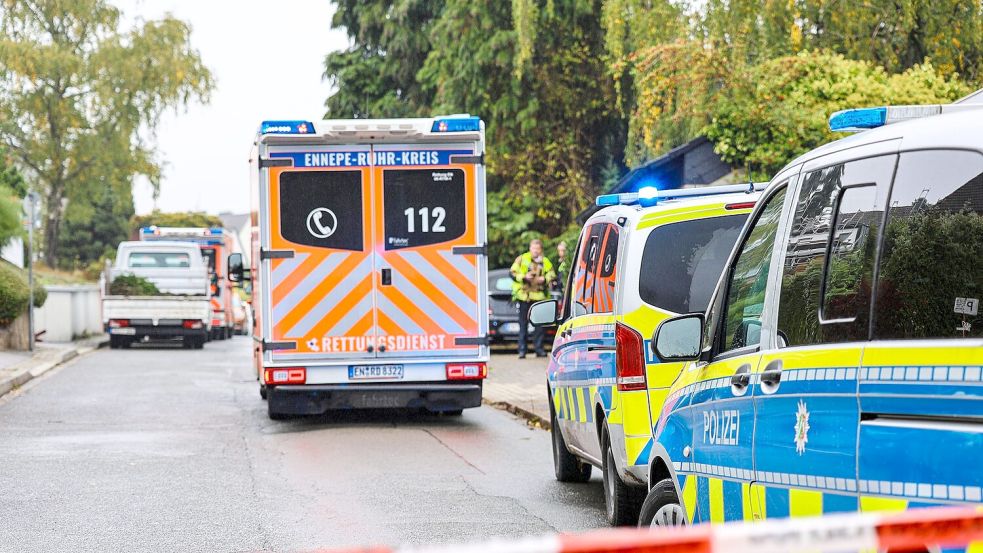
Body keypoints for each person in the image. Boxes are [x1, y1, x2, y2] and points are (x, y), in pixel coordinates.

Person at [510, 239, 556, 358]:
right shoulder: (522, 259)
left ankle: (539, 349)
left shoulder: (545, 261)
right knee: (523, 325)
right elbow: (512, 273)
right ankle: (522, 350)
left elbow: (552, 275)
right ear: (530, 248)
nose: (535, 251)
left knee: (539, 326)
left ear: (541, 250)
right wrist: (524, 277)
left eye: (537, 249)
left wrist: (544, 279)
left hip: (539, 297)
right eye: (533, 248)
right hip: (525, 297)